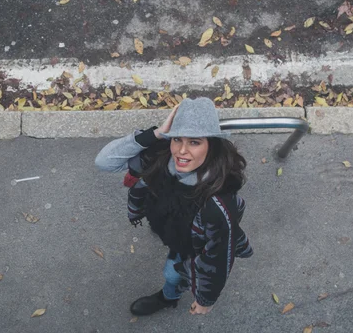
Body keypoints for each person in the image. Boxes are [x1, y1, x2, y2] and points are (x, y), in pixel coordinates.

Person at [94, 97, 253, 316]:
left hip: (189, 245)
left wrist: (205, 299)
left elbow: (217, 258)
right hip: (167, 225)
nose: (181, 151)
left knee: (172, 274)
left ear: (211, 146)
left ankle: (169, 297)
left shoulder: (216, 206)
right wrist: (157, 133)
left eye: (194, 142)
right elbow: (104, 161)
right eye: (177, 138)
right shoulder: (158, 156)